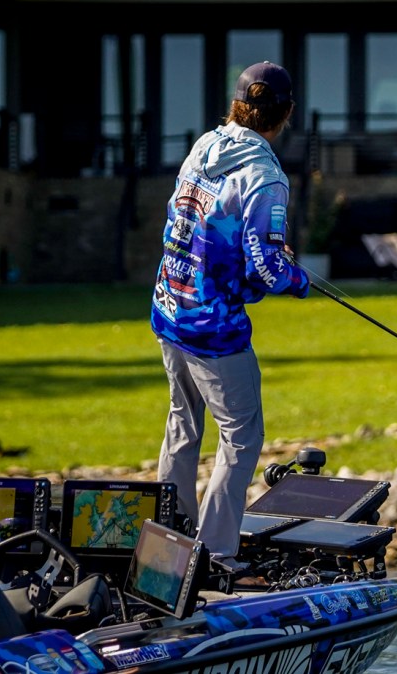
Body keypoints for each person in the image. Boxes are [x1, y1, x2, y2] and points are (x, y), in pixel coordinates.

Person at [150, 61, 310, 568]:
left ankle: (167, 546)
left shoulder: (204, 146)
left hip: (169, 310)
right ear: (285, 114)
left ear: (237, 106)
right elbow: (266, 267)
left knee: (182, 424)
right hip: (212, 331)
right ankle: (214, 555)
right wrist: (297, 280)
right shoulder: (266, 177)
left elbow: (185, 222)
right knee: (242, 437)